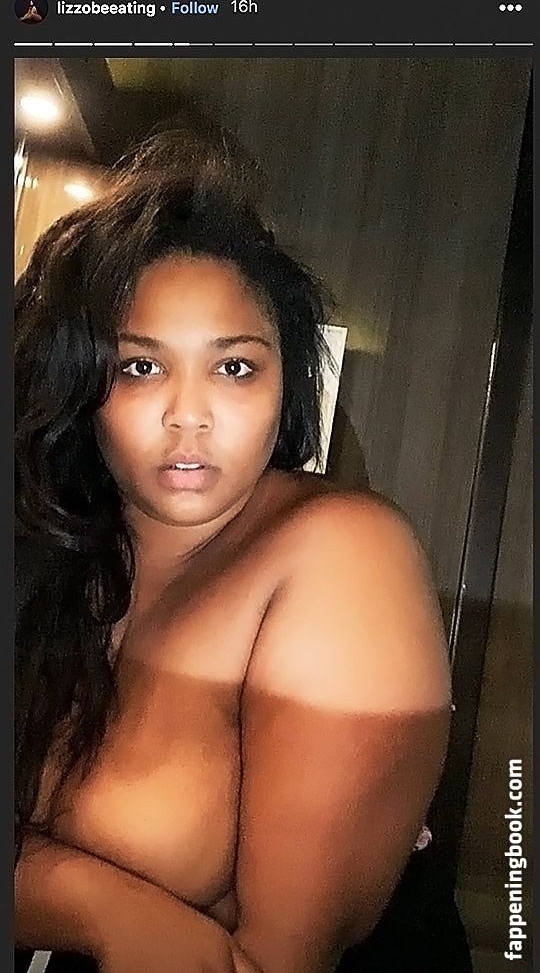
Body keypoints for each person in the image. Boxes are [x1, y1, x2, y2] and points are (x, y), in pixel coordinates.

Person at [15, 128, 457, 973]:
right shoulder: (59, 556)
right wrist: (104, 909)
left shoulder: (338, 552)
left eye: (234, 369)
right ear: (80, 386)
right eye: (140, 368)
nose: (190, 416)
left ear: (285, 382)